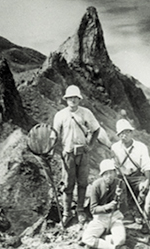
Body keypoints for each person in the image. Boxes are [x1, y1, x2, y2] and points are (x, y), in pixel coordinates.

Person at [53, 85, 101, 225]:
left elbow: (96, 129)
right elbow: (54, 135)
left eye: (75, 97)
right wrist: (57, 150)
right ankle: (67, 213)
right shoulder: (60, 115)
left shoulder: (86, 113)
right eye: (70, 98)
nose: (72, 100)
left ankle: (80, 210)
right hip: (68, 153)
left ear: (79, 99)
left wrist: (90, 146)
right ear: (66, 99)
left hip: (83, 154)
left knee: (83, 183)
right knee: (68, 184)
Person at [110, 118, 150, 224]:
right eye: (122, 133)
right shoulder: (115, 147)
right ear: (118, 135)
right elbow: (113, 166)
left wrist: (147, 181)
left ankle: (138, 211)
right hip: (122, 176)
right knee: (119, 189)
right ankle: (125, 213)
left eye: (127, 132)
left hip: (137, 176)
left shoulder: (141, 147)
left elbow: (146, 166)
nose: (125, 135)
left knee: (144, 188)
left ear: (131, 133)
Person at [82, 159, 127, 249]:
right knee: (86, 238)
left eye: (111, 172)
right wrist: (108, 206)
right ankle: (111, 247)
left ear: (115, 173)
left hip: (115, 217)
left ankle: (103, 239)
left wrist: (120, 198)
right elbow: (93, 209)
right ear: (102, 175)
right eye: (106, 173)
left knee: (121, 240)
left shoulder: (120, 183)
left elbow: (124, 208)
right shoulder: (96, 185)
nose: (109, 176)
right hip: (100, 218)